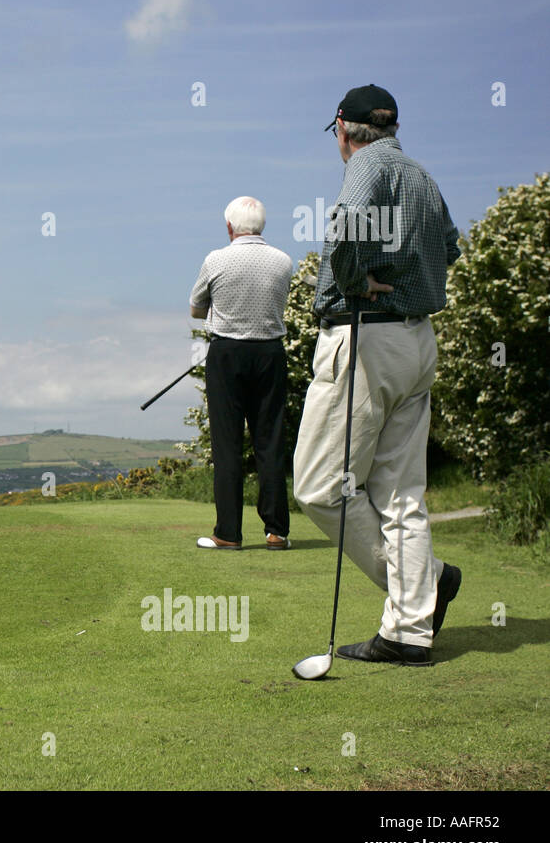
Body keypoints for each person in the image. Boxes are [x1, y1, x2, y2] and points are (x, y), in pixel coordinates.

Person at [293, 84, 462, 665]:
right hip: (418, 340)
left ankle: (426, 586)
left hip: (366, 337)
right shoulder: (423, 176)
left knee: (319, 487)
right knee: (400, 495)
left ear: (344, 128)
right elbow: (452, 248)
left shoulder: (366, 165)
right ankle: (410, 630)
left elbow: (345, 231)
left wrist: (357, 279)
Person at [189, 197, 294, 551]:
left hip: (227, 355)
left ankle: (229, 533)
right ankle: (277, 531)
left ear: (230, 227)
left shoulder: (215, 259)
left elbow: (195, 308)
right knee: (270, 442)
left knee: (228, 445)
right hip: (269, 353)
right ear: (261, 226)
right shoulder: (283, 261)